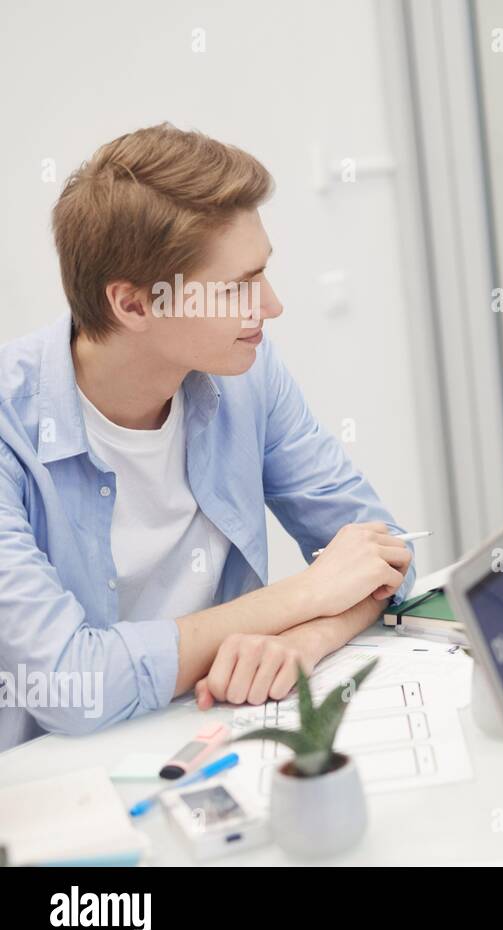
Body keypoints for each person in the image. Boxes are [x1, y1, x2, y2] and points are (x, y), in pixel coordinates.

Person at [0, 124, 415, 750]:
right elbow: (72, 686)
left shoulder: (248, 375)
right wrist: (302, 596)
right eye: (237, 287)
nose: (270, 306)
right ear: (133, 305)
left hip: (221, 731)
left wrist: (306, 640)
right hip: (60, 781)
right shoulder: (12, 430)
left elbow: (384, 556)